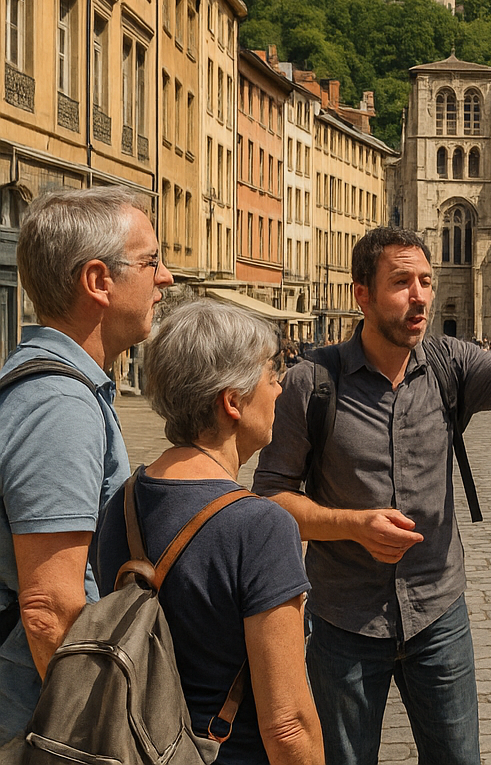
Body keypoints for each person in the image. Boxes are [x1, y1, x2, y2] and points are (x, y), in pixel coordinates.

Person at [253, 200, 491, 765]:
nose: (420, 295)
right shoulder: (313, 382)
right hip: (345, 620)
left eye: (426, 280)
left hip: (438, 614)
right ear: (363, 295)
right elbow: (270, 500)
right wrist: (352, 525)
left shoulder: (451, 363)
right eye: (401, 282)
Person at [95, 300, 323, 765]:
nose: (280, 387)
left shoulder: (122, 502)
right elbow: (287, 726)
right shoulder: (260, 527)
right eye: (270, 373)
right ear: (232, 401)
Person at [0, 188, 174, 755]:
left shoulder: (62, 386)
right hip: (40, 720)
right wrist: (101, 736)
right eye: (151, 261)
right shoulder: (60, 404)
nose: (165, 278)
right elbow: (49, 608)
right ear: (99, 282)